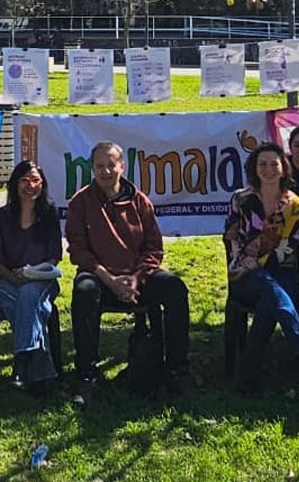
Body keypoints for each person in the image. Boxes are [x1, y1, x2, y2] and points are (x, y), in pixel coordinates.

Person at [66, 141, 190, 405]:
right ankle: (87, 375)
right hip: (100, 278)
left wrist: (137, 278)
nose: (106, 171)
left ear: (122, 166)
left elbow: (154, 247)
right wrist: (108, 279)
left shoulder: (139, 201)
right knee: (84, 291)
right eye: (100, 166)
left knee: (175, 288)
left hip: (136, 279)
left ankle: (177, 370)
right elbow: (77, 250)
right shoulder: (80, 202)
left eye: (111, 165)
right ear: (92, 169)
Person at [224, 143, 299, 393]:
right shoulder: (241, 199)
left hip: (280, 270)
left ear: (283, 168)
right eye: (262, 164)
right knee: (269, 291)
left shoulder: (295, 205)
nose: (268, 169)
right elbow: (231, 236)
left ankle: (245, 379)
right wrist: (243, 263)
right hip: (243, 274)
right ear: (254, 168)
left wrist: (256, 261)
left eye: (274, 164)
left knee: (269, 301)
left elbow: (289, 247)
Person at [0, 160, 62, 392]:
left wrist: (31, 274)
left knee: (29, 294)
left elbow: (54, 257)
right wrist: (12, 276)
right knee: (35, 307)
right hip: (4, 281)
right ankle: (41, 375)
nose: (30, 185)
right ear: (15, 184)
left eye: (35, 180)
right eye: (24, 180)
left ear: (43, 184)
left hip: (40, 279)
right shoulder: (1, 216)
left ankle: (21, 361)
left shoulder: (49, 214)